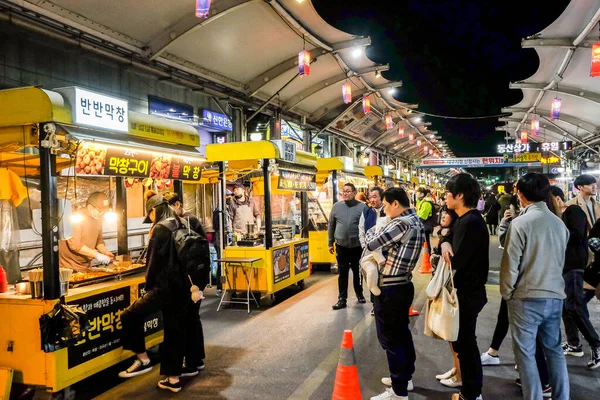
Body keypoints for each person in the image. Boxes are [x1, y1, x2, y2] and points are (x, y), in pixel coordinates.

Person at [500, 173, 570, 400]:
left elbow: (510, 264)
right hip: (555, 296)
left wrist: (507, 293)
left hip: (526, 297)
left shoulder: (520, 223)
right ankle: (562, 396)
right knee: (555, 352)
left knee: (526, 355)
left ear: (520, 194)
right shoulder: (559, 224)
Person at [118, 191, 194, 393]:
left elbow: (152, 264)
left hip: (163, 288)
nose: (150, 219)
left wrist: (148, 286)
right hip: (183, 287)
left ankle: (143, 359)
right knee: (174, 331)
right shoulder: (180, 223)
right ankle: (173, 379)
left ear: (154, 211)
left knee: (129, 315)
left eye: (149, 215)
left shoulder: (159, 229)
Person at [366, 188, 425, 400]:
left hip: (390, 288)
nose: (383, 208)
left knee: (391, 340)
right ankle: (404, 378)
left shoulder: (401, 223)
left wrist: (371, 231)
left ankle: (398, 392)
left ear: (396, 204)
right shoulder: (415, 220)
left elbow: (371, 242)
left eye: (385, 204)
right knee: (401, 335)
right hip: (402, 286)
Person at [440, 173, 489, 400]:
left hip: (467, 293)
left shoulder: (470, 222)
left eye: (448, 194)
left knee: (466, 345)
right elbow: (446, 240)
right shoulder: (464, 219)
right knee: (463, 343)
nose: (445, 198)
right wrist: (444, 242)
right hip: (466, 292)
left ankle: (471, 393)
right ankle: (468, 389)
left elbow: (457, 260)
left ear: (459, 195)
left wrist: (442, 251)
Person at [549, 186, 600, 368]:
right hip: (563, 267)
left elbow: (577, 236)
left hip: (575, 267)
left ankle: (596, 345)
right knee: (566, 307)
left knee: (575, 307)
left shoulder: (573, 211)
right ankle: (574, 344)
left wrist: (554, 230)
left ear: (556, 198)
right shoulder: (559, 217)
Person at [164, 191, 208, 373]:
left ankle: (191, 361)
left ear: (177, 205)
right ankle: (196, 360)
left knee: (188, 319)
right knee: (193, 318)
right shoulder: (190, 221)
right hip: (197, 277)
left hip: (189, 281)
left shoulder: (183, 223)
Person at [431, 209, 463, 389]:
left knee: (455, 335)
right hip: (445, 287)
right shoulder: (448, 233)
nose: (442, 216)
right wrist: (443, 240)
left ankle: (460, 375)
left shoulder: (457, 231)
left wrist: (444, 241)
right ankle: (455, 368)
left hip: (452, 289)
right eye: (442, 213)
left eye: (446, 214)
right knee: (451, 336)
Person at [328, 183, 367, 310]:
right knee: (342, 273)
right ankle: (342, 299)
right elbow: (331, 225)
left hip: (357, 246)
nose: (345, 193)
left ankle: (359, 293)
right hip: (341, 246)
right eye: (343, 191)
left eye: (348, 191)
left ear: (355, 192)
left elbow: (367, 227)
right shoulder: (336, 207)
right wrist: (330, 242)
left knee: (357, 272)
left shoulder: (362, 207)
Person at [59, 192, 114, 271]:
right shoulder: (77, 218)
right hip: (68, 267)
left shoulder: (97, 218)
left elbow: (98, 239)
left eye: (103, 212)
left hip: (85, 266)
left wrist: (104, 251)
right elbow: (74, 245)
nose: (102, 214)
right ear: (90, 207)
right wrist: (97, 255)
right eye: (100, 211)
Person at [359, 187, 386, 315]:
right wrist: (366, 246)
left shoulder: (388, 211)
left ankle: (384, 303)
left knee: (383, 278)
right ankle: (375, 304)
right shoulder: (366, 212)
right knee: (370, 276)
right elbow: (361, 229)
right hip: (370, 251)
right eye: (370, 197)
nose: (372, 199)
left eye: (375, 196)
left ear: (382, 198)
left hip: (385, 252)